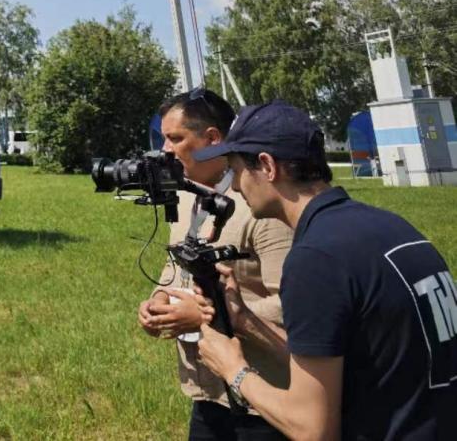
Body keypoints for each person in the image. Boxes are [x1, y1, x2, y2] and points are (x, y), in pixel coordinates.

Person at [194, 100, 457, 440]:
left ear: (267, 165)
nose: (233, 187)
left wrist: (234, 370)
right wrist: (243, 319)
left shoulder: (315, 259)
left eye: (237, 170)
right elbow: (337, 355)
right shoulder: (389, 227)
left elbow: (312, 429)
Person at [136, 89, 292, 441]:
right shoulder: (187, 196)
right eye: (164, 138)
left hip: (263, 398)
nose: (165, 150)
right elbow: (174, 265)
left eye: (176, 138)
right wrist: (158, 301)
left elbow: (291, 304)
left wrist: (206, 315)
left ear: (212, 140)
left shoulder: (260, 206)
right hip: (207, 393)